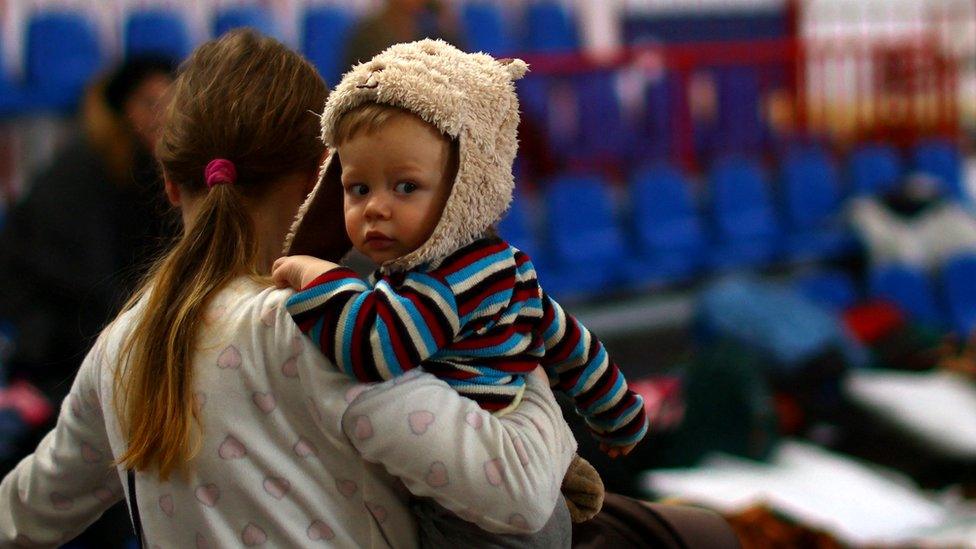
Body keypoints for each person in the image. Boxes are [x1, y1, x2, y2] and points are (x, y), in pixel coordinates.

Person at [0, 30, 576, 547]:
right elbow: (522, 497)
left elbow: (24, 513)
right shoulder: (325, 329)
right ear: (320, 177)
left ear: (172, 186)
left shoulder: (120, 347)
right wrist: (521, 348)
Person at [272, 39, 648, 542]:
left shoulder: (449, 281)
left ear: (464, 186)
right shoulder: (501, 268)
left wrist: (315, 275)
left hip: (476, 523)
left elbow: (376, 347)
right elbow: (570, 343)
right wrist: (618, 414)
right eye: (358, 188)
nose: (376, 208)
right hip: (513, 502)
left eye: (405, 187)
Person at [0, 56, 176, 406]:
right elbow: (89, 285)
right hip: (53, 338)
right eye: (150, 104)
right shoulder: (82, 173)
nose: (163, 116)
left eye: (172, 104)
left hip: (95, 321)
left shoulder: (143, 170)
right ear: (125, 110)